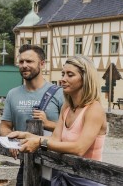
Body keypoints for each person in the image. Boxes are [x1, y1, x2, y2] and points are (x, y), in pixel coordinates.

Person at [9, 55, 108, 186]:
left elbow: (79, 148)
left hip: (86, 179)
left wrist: (38, 142)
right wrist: (27, 136)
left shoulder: (94, 109)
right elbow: (55, 139)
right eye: (63, 74)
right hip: (64, 174)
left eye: (70, 75)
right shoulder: (67, 107)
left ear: (85, 79)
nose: (63, 79)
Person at [1, 44, 64, 186]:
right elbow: (5, 126)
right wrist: (10, 141)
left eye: (29, 61)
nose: (24, 65)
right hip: (26, 163)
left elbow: (71, 129)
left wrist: (48, 124)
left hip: (54, 166)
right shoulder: (13, 94)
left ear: (42, 64)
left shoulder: (59, 93)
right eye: (21, 61)